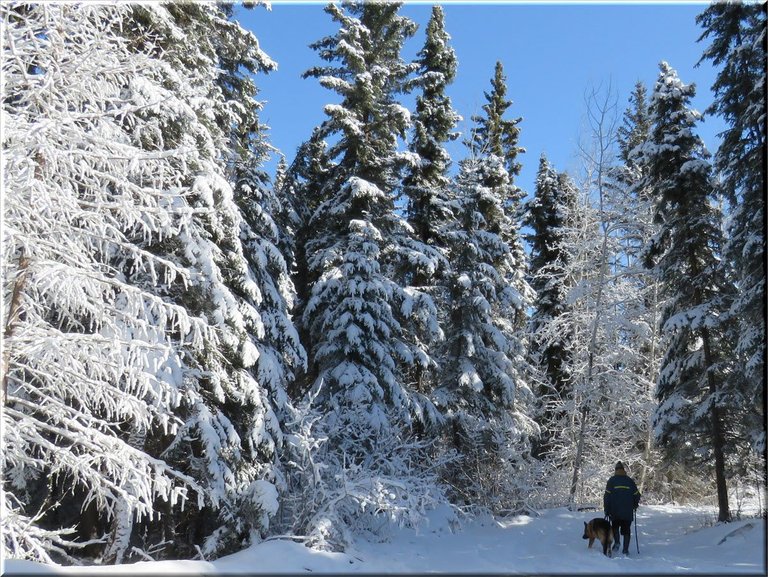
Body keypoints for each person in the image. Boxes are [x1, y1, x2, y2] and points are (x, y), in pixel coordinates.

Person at [603, 461, 640, 555]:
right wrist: (635, 504)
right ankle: (625, 550)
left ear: (616, 470)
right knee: (626, 529)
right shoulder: (629, 481)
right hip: (627, 511)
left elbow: (607, 496)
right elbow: (637, 495)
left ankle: (617, 542)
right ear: (623, 470)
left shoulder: (611, 481)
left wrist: (607, 509)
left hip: (614, 510)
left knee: (615, 527)